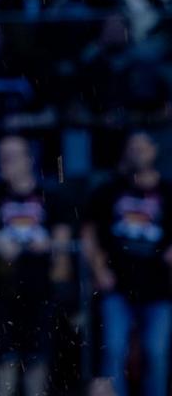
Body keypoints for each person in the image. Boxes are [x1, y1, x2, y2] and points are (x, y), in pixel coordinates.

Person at [0, 135, 72, 396]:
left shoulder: (50, 196)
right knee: (4, 357)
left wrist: (48, 244)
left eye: (11, 156)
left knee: (37, 358)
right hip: (1, 289)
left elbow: (63, 240)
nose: (4, 161)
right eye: (1, 156)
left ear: (28, 159)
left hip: (40, 289)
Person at [84, 131, 172, 396]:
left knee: (156, 353)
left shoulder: (168, 192)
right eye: (133, 147)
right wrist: (99, 269)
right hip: (117, 287)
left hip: (158, 289)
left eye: (143, 147)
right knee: (114, 350)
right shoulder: (109, 190)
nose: (138, 152)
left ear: (154, 151)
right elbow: (89, 233)